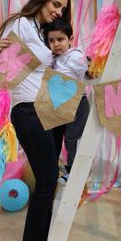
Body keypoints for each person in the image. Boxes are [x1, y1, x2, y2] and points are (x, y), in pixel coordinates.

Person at [0, 0, 71, 241]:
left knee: (50, 178)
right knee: (47, 179)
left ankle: (44, 240)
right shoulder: (21, 24)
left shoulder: (47, 33)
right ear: (43, 0)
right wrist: (1, 50)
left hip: (51, 107)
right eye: (55, 4)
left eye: (62, 7)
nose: (58, 11)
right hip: (28, 109)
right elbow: (1, 71)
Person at [42, 18, 90, 185]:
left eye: (60, 39)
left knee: (71, 138)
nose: (56, 44)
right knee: (63, 137)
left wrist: (90, 66)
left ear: (70, 40)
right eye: (51, 40)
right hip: (62, 103)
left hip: (78, 103)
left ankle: (74, 170)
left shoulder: (74, 56)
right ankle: (70, 166)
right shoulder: (55, 58)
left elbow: (89, 74)